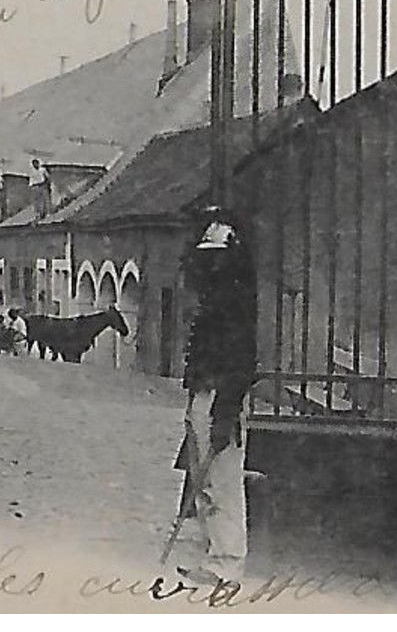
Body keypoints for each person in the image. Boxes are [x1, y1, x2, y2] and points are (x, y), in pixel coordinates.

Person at [171, 206, 258, 584]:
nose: (210, 266)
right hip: (203, 395)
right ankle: (212, 557)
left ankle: (227, 564)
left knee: (222, 481)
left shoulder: (236, 305)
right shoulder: (214, 301)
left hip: (223, 398)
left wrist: (226, 412)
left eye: (216, 258)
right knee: (203, 479)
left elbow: (241, 363)